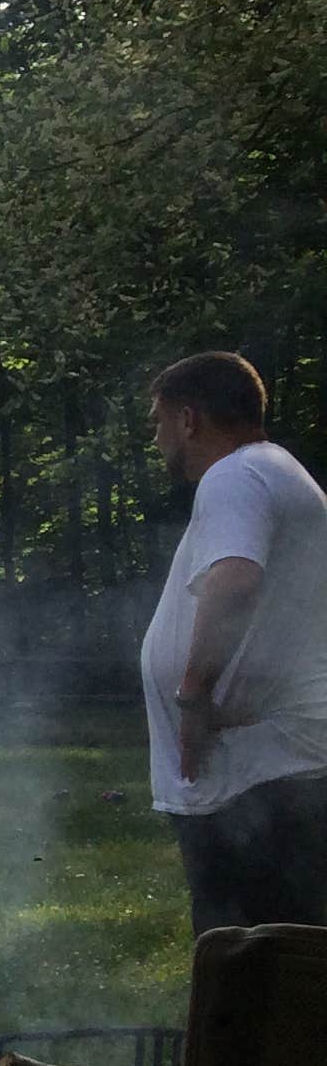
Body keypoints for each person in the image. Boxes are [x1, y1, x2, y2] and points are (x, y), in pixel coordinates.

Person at [139, 349, 327, 937]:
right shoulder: (277, 471)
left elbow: (235, 579)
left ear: (188, 418)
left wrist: (192, 699)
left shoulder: (236, 475)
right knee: (285, 958)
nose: (157, 438)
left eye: (159, 421)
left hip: (251, 776)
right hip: (271, 770)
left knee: (245, 965)